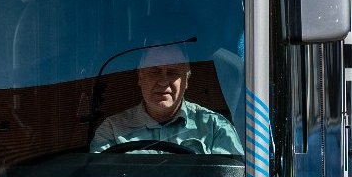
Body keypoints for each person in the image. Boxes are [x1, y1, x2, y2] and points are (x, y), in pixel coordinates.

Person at [90, 45, 242, 154]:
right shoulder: (111, 131)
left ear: (186, 80)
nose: (163, 81)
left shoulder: (216, 128)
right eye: (154, 71)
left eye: (173, 72)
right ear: (140, 77)